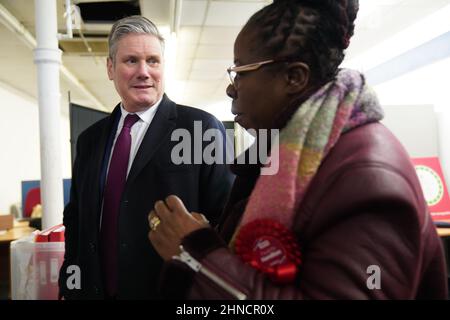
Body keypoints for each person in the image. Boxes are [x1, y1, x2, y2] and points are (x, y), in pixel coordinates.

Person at [148, 0, 448, 299]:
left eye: (240, 71)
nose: (231, 87)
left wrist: (198, 254)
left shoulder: (366, 177)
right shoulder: (286, 155)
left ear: (294, 77)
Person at [58, 15, 234, 299]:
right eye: (131, 61)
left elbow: (226, 220)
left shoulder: (200, 129)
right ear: (110, 67)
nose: (144, 71)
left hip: (169, 292)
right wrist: (70, 282)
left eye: (153, 61)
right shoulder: (90, 140)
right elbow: (77, 217)